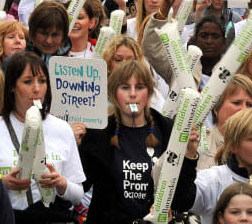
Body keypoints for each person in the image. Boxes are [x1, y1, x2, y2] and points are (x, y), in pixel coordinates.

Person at [78, 60, 198, 223]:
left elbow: (184, 200)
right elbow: (80, 188)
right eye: (125, 87)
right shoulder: (99, 134)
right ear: (114, 94)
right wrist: (75, 146)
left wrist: (190, 155)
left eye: (139, 87)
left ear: (149, 93)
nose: (133, 94)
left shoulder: (168, 130)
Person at [0, 52, 85, 223]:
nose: (36, 89)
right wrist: (1, 183)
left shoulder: (62, 129)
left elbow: (78, 195)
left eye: (42, 81)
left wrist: (60, 183)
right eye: (28, 81)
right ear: (12, 86)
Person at [101, 35, 167, 111]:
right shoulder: (97, 92)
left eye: (130, 61)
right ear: (108, 64)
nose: (124, 65)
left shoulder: (151, 95)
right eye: (118, 60)